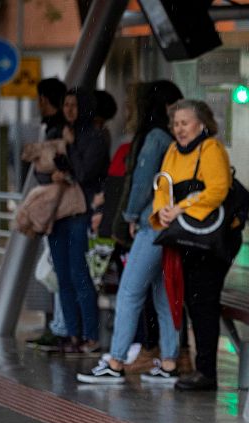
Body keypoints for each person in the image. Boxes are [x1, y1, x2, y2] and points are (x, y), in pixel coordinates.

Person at [77, 81, 184, 384]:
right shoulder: (170, 139)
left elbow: (141, 182)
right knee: (164, 295)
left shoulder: (153, 138)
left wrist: (130, 215)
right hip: (169, 225)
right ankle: (169, 361)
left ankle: (116, 360)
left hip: (152, 224)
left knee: (129, 291)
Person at [152, 99, 233, 391]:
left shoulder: (211, 149)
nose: (179, 129)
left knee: (204, 301)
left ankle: (207, 372)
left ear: (202, 123)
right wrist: (162, 210)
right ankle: (202, 369)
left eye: (185, 123)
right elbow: (163, 186)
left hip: (210, 239)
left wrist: (181, 207)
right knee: (194, 300)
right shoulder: (173, 151)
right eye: (175, 124)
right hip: (186, 236)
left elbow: (218, 189)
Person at [48, 87, 108, 354]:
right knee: (63, 276)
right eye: (66, 105)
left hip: (81, 212)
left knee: (79, 274)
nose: (69, 110)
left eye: (74, 105)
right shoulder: (58, 134)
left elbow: (84, 174)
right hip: (59, 212)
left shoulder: (94, 137)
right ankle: (72, 334)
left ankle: (90, 335)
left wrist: (70, 147)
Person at [25, 77, 70, 352]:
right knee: (56, 270)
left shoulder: (58, 131)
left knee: (58, 270)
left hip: (59, 208)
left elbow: (51, 168)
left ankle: (62, 328)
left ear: (44, 99)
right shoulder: (57, 128)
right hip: (56, 208)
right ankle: (60, 327)